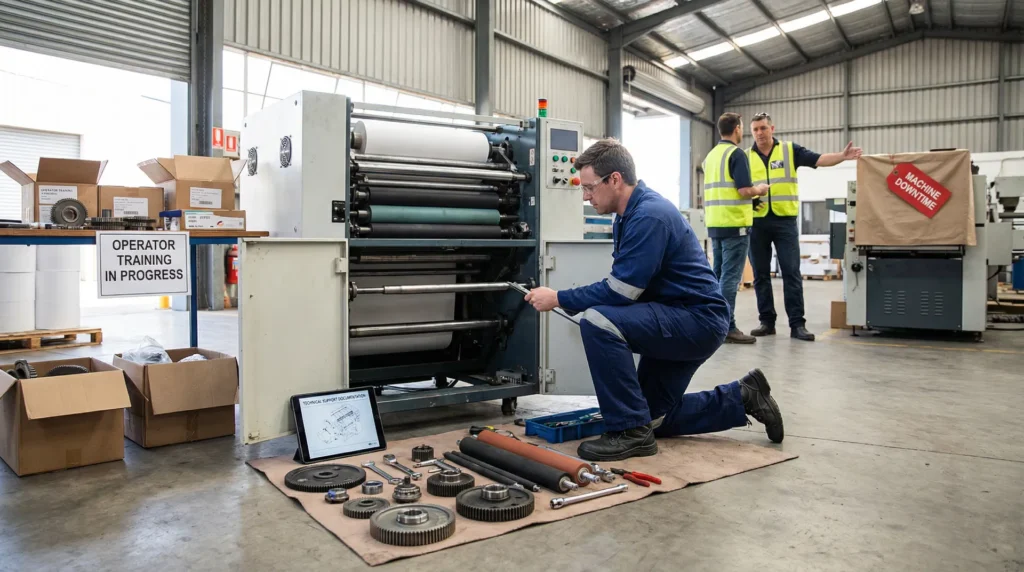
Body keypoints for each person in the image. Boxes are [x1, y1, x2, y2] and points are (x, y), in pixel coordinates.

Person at [524, 139, 784, 462]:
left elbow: (621, 291)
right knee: (650, 417)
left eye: (590, 188)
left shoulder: (649, 215)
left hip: (696, 320)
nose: (586, 196)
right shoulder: (628, 215)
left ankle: (630, 434)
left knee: (596, 320)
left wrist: (559, 297)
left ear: (615, 180)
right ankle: (744, 396)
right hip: (678, 316)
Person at [746, 112, 862, 342]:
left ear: (772, 129)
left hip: (785, 222)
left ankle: (797, 325)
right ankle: (766, 322)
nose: (759, 133)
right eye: (755, 129)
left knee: (791, 272)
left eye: (763, 128)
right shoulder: (745, 157)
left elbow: (819, 159)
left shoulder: (790, 150)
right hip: (756, 222)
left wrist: (842, 156)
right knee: (760, 275)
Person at [702, 112, 769, 344]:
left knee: (718, 276)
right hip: (735, 226)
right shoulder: (736, 154)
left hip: (715, 225)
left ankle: (713, 324)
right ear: (737, 129)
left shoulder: (711, 156)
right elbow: (743, 190)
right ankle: (727, 327)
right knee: (730, 280)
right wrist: (759, 189)